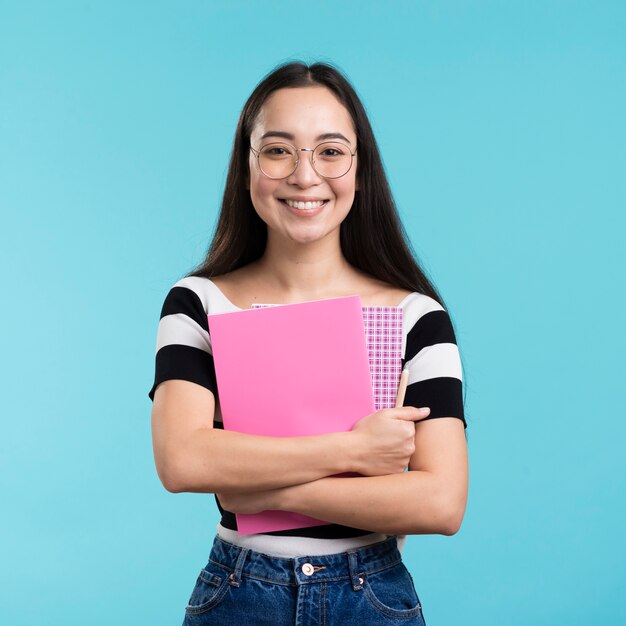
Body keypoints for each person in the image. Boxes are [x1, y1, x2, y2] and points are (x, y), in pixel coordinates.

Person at [149, 60, 468, 626]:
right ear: (246, 168)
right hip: (239, 593)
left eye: (330, 150)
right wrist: (352, 453)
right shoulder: (198, 302)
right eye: (277, 150)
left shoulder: (416, 316)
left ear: (359, 169)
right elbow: (183, 460)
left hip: (373, 597)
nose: (304, 175)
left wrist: (255, 492)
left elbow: (440, 503)